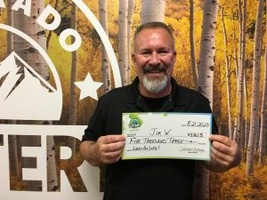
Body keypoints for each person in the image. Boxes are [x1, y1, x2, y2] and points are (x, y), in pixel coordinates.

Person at [80, 21, 242, 200]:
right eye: (146, 52)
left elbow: (212, 161)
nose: (155, 61)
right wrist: (96, 151)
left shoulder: (196, 104)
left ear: (173, 57)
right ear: (134, 58)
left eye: (162, 51)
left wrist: (231, 159)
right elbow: (86, 146)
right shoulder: (111, 102)